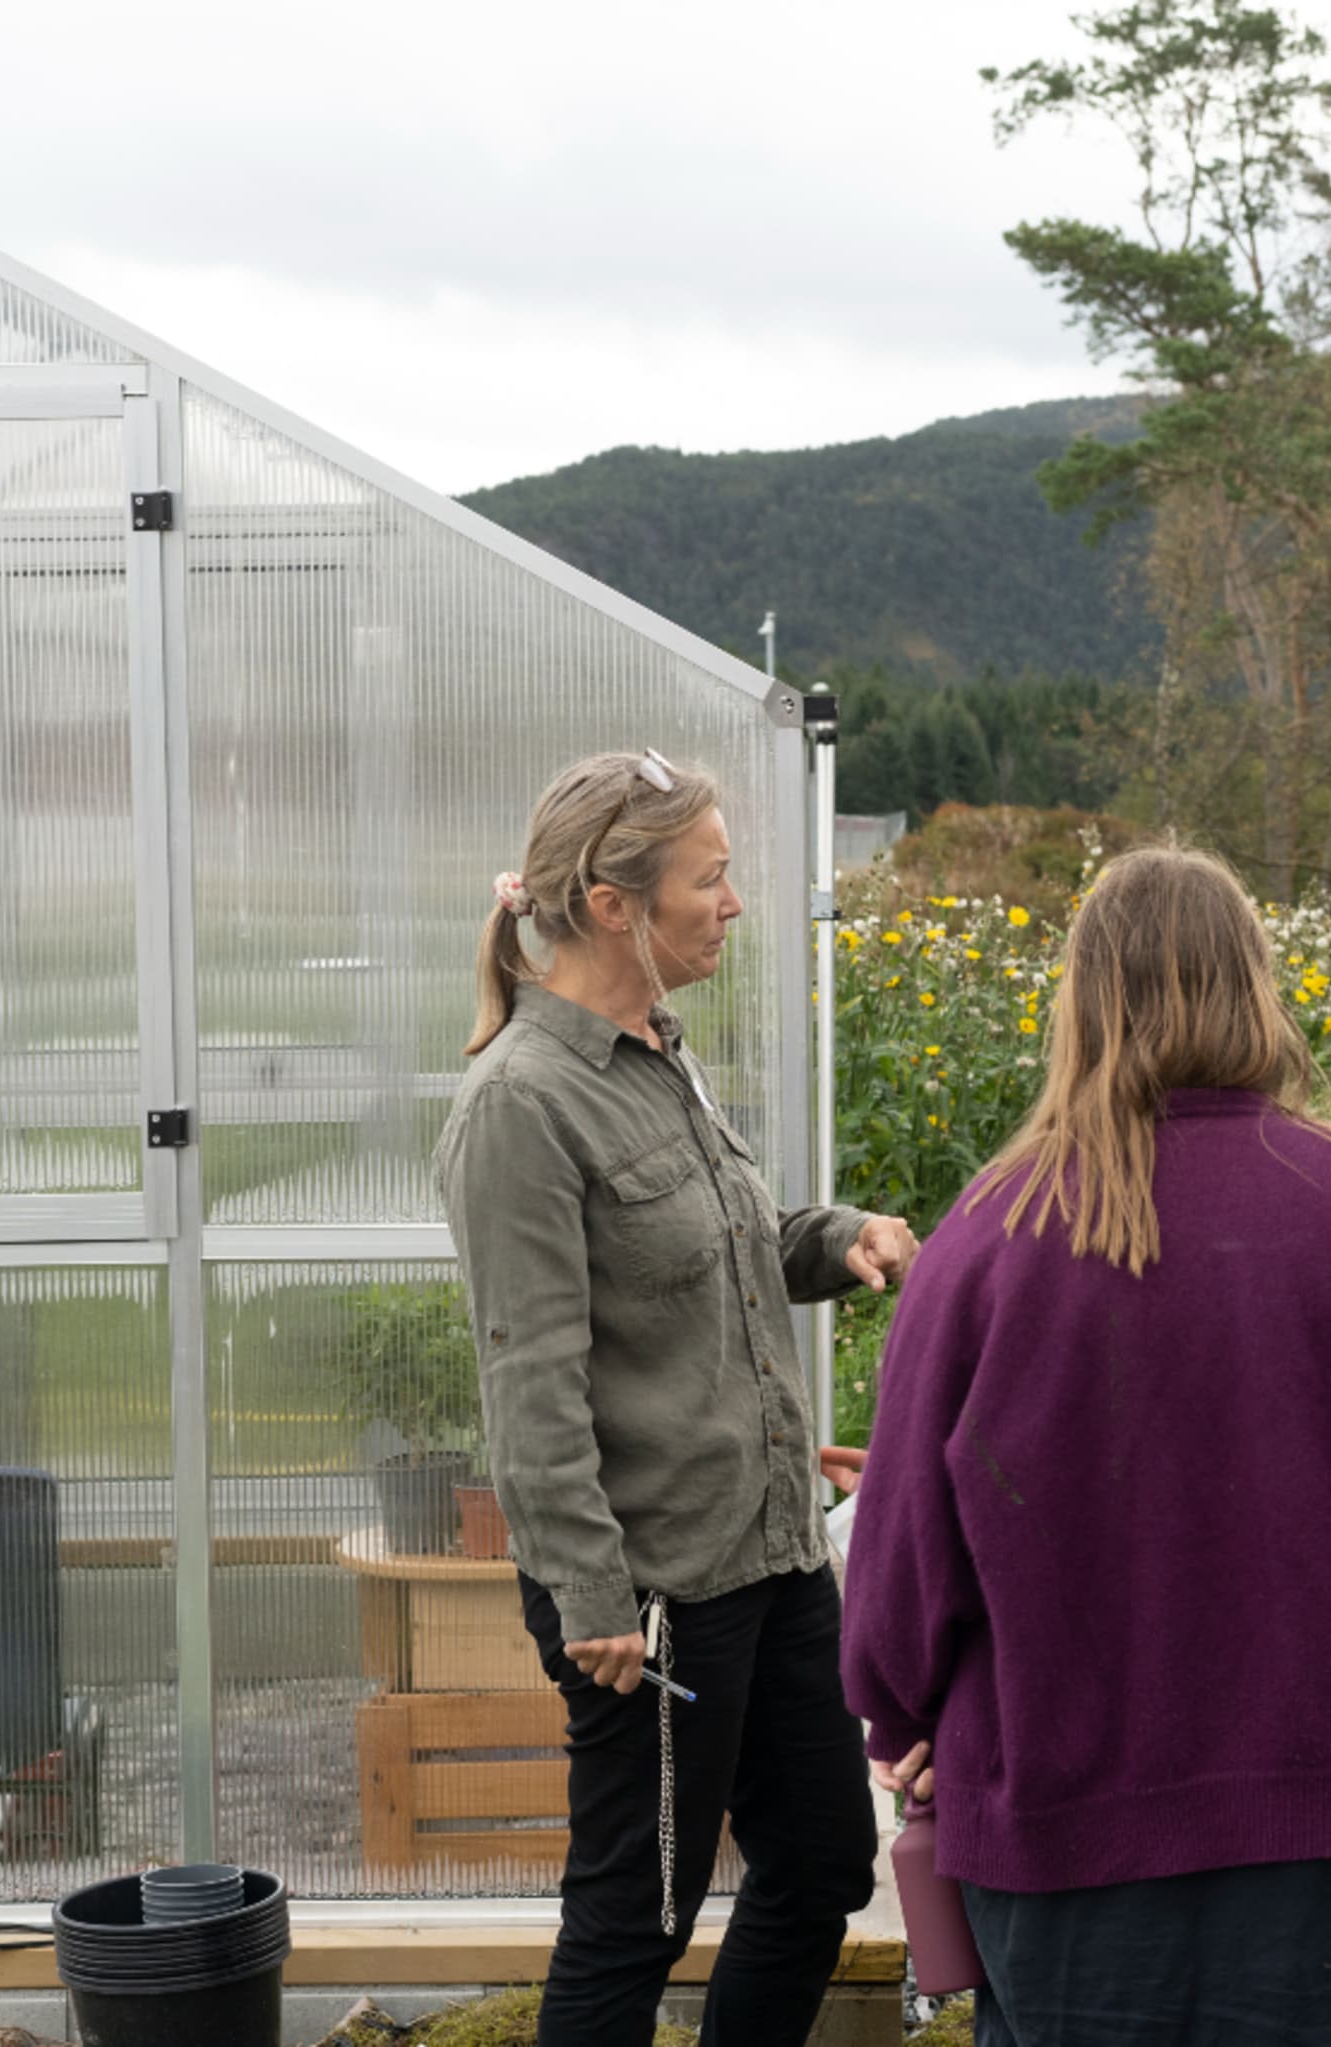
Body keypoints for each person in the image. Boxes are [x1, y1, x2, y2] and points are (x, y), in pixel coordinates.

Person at [838, 844, 1331, 2047]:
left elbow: (903, 1561)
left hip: (1072, 1844)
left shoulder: (990, 1237)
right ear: (1258, 987)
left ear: (1082, 999)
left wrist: (900, 1718)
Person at [436, 748, 922, 2047]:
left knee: (821, 1861)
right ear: (615, 904)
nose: (734, 902)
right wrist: (594, 1597)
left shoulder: (660, 1050)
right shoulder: (523, 1106)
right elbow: (527, 1374)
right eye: (710, 878)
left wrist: (833, 1237)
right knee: (636, 1914)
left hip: (767, 1552)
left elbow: (720, 1241)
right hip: (649, 1596)